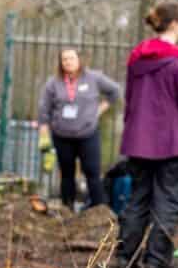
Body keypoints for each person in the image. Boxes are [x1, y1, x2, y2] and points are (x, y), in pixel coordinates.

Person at [119, 2, 178, 268]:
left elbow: (130, 101)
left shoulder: (137, 60)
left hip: (139, 142)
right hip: (173, 145)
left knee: (137, 200)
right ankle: (156, 259)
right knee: (167, 202)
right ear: (173, 24)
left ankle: (126, 255)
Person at [37, 48, 122, 210]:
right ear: (61, 63)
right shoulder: (53, 83)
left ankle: (100, 211)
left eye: (71, 58)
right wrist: (43, 128)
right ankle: (67, 209)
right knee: (66, 174)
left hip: (87, 134)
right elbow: (44, 107)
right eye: (64, 59)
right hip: (62, 135)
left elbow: (115, 91)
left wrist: (100, 109)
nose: (68, 62)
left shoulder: (93, 78)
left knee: (92, 173)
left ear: (79, 60)